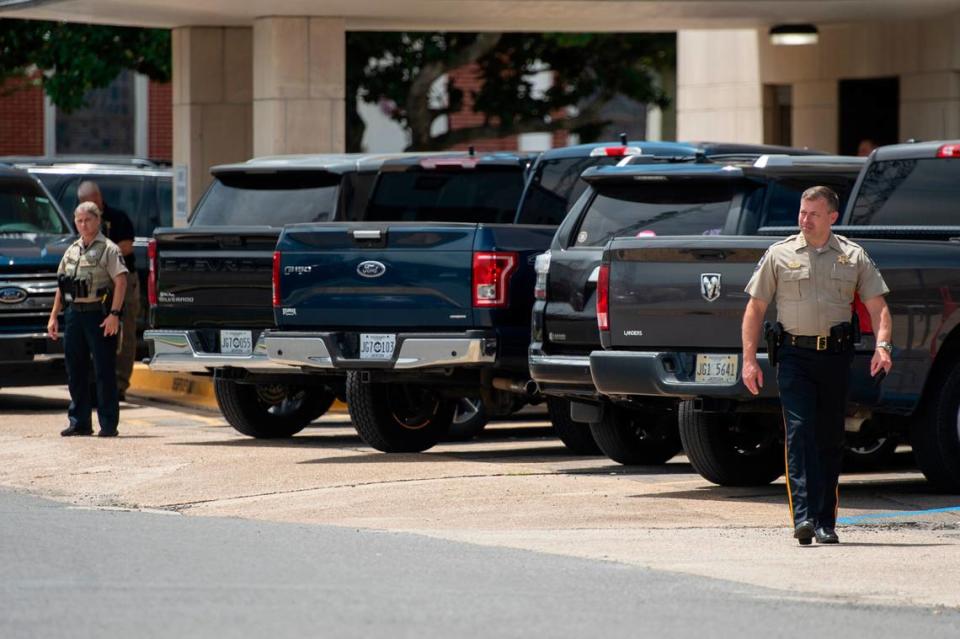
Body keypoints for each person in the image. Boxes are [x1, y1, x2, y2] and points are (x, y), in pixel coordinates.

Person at [741, 186, 892, 545]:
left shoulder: (853, 257)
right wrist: (749, 360)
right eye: (801, 212)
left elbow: (879, 308)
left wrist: (882, 346)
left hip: (836, 358)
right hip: (794, 356)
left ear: (832, 218)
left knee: (829, 437)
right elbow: (755, 309)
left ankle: (826, 522)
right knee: (799, 433)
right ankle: (804, 519)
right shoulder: (780, 254)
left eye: (813, 214)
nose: (804, 219)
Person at [48, 202, 128, 437]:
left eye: (88, 220)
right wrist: (54, 315)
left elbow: (121, 282)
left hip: (99, 315)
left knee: (103, 370)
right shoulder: (72, 249)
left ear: (98, 220)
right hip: (74, 315)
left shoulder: (108, 249)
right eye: (79, 221)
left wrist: (114, 314)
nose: (83, 224)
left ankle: (108, 424)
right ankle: (80, 421)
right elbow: (62, 285)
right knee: (76, 369)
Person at [77, 181, 138, 401]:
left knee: (125, 330)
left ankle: (119, 384)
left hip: (122, 278)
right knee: (96, 329)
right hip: (96, 282)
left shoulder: (117, 217)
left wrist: (104, 251)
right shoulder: (82, 220)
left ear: (98, 197)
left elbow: (128, 245)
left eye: (90, 202)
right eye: (83, 204)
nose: (87, 208)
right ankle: (97, 382)